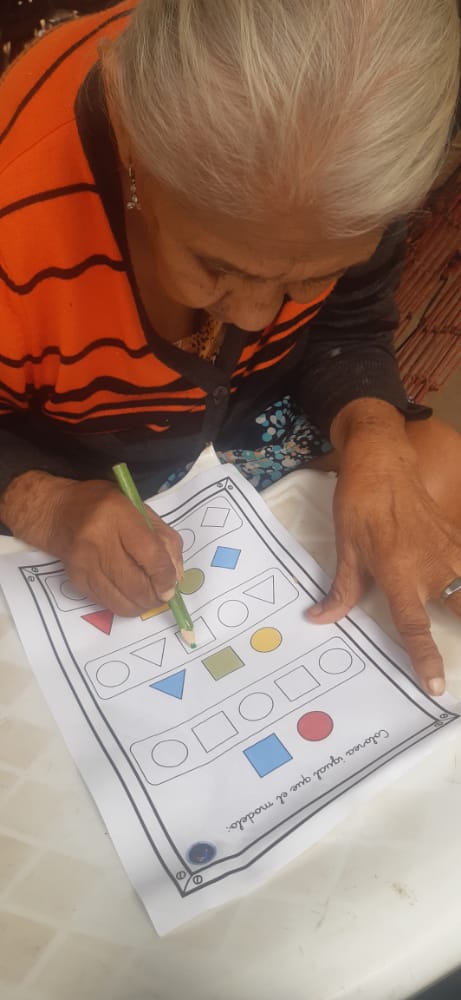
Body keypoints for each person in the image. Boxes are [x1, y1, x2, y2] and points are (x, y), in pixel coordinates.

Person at [0, 0, 460, 696]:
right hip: (69, 465)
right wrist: (48, 504)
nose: (253, 316)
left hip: (253, 420)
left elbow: (348, 325)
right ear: (127, 128)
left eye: (308, 277)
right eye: (215, 265)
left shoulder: (358, 166)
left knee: (432, 472)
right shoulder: (16, 207)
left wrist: (372, 433)